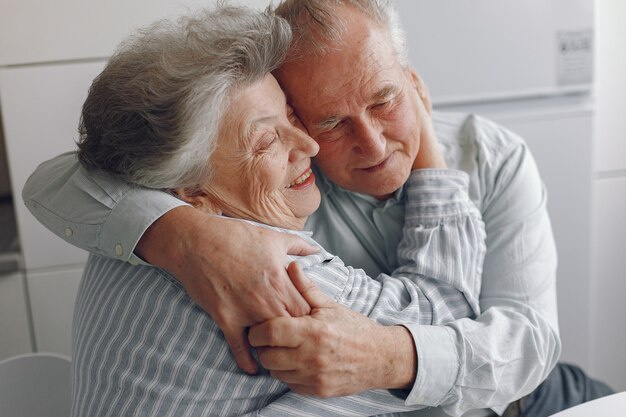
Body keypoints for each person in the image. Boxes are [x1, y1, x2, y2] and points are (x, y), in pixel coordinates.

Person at [22, 1, 613, 416]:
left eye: (386, 100)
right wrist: (184, 235)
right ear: (298, 108)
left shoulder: (490, 155)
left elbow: (529, 346)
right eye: (327, 120)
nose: (374, 145)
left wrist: (389, 357)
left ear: (413, 80)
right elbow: (62, 175)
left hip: (522, 398)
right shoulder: (270, 239)